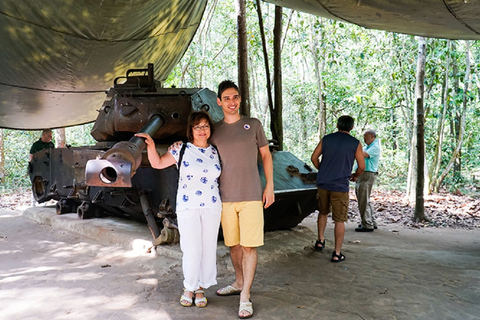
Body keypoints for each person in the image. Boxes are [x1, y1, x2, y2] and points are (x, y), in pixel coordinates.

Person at [135, 111, 222, 308]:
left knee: (208, 248)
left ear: (210, 129)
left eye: (205, 126)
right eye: (197, 127)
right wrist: (150, 144)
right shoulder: (181, 149)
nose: (202, 130)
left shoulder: (216, 151)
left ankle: (201, 288)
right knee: (191, 248)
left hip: (212, 206)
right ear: (191, 130)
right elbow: (157, 163)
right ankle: (189, 287)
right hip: (188, 206)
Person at [210, 80, 274, 319]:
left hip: (251, 195)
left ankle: (245, 294)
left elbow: (266, 155)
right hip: (225, 197)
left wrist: (270, 186)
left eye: (235, 97)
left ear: (240, 100)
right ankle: (238, 282)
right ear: (219, 102)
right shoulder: (214, 130)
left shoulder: (253, 124)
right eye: (226, 98)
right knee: (234, 245)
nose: (231, 102)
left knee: (249, 245)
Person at [310, 115, 365, 263]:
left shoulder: (327, 139)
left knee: (322, 212)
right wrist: (355, 176)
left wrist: (322, 170)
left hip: (323, 183)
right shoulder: (355, 143)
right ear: (352, 127)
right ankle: (337, 253)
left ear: (337, 125)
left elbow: (314, 157)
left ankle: (320, 241)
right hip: (340, 186)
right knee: (339, 220)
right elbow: (362, 166)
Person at [355, 129, 381, 232]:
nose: (364, 138)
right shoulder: (367, 147)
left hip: (367, 174)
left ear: (373, 137)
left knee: (363, 200)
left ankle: (367, 224)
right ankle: (371, 221)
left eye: (366, 136)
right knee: (365, 199)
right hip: (363, 174)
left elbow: (364, 155)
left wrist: (354, 148)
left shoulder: (374, 147)